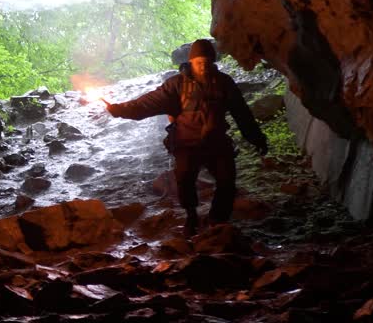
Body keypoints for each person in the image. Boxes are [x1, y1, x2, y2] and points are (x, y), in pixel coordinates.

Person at [102, 39, 268, 236]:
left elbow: (242, 114)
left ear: (213, 62)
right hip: (186, 143)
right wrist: (119, 109)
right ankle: (191, 216)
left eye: (207, 62)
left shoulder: (224, 83)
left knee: (227, 181)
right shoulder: (176, 85)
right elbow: (147, 103)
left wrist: (256, 138)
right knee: (185, 181)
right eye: (199, 62)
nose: (204, 66)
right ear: (191, 62)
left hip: (216, 142)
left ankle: (217, 219)